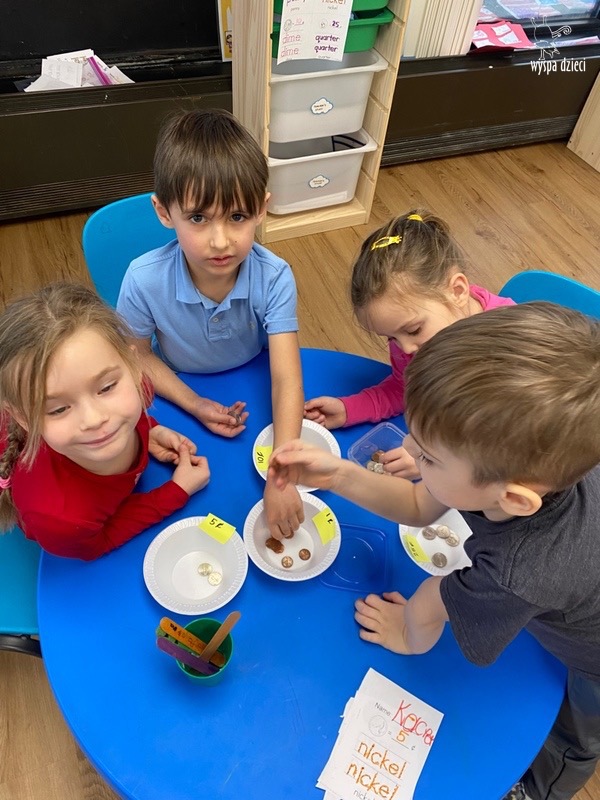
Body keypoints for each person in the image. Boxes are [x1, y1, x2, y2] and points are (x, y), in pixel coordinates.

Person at [271, 302, 600, 800]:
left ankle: (538, 789)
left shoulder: (518, 572)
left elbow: (437, 598)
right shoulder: (531, 469)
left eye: (427, 455)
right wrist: (339, 475)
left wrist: (409, 633)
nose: (409, 453)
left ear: (513, 498)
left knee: (577, 732)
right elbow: (419, 504)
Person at [117, 108, 304, 540]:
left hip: (253, 383)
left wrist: (281, 476)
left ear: (261, 209)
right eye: (199, 218)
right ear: (164, 212)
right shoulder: (143, 279)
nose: (221, 242)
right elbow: (136, 356)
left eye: (237, 217)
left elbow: (287, 379)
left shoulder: (275, 276)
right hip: (177, 389)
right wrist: (195, 403)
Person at [0, 283, 210, 561]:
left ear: (134, 368)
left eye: (107, 388)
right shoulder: (57, 518)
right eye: (59, 409)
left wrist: (151, 430)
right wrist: (175, 492)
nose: (95, 419)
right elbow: (96, 543)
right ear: (22, 418)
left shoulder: (138, 389)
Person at [304, 210, 514, 478]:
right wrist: (348, 410)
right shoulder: (414, 338)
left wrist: (437, 460)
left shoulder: (513, 349)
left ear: (457, 291)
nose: (405, 349)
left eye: (413, 330)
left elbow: (514, 442)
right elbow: (405, 388)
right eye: (391, 338)